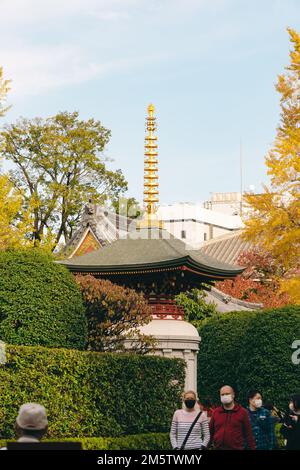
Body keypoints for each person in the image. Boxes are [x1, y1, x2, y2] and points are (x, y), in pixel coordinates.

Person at [209, 385, 256, 450]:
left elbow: (249, 434)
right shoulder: (216, 412)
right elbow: (210, 433)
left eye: (227, 394)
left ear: (233, 395)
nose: (224, 396)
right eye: (222, 394)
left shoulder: (242, 412)